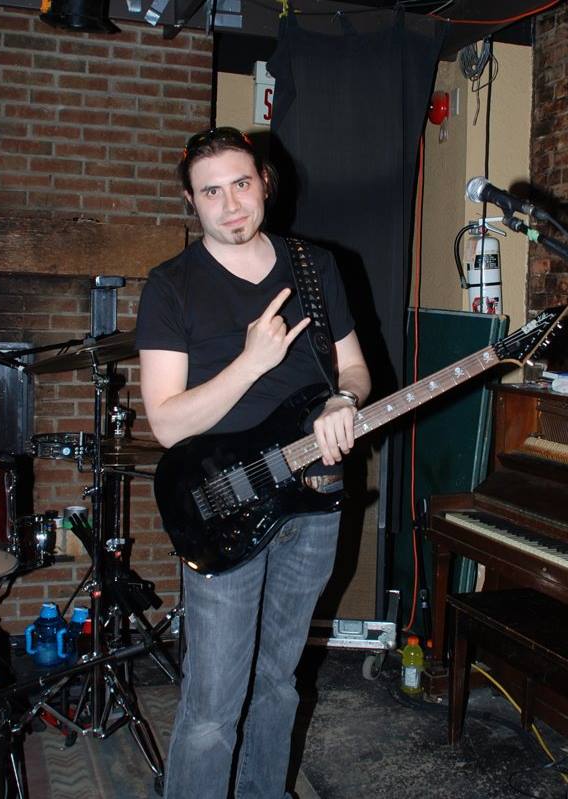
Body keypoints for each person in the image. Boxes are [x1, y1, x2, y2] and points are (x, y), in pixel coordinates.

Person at [135, 126, 371, 799]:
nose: (231, 203)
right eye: (211, 191)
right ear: (190, 200)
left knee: (278, 681)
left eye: (241, 183)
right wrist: (250, 363)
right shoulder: (171, 287)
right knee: (213, 704)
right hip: (224, 503)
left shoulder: (314, 266)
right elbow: (168, 419)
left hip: (316, 496)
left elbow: (354, 366)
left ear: (264, 181)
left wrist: (343, 400)